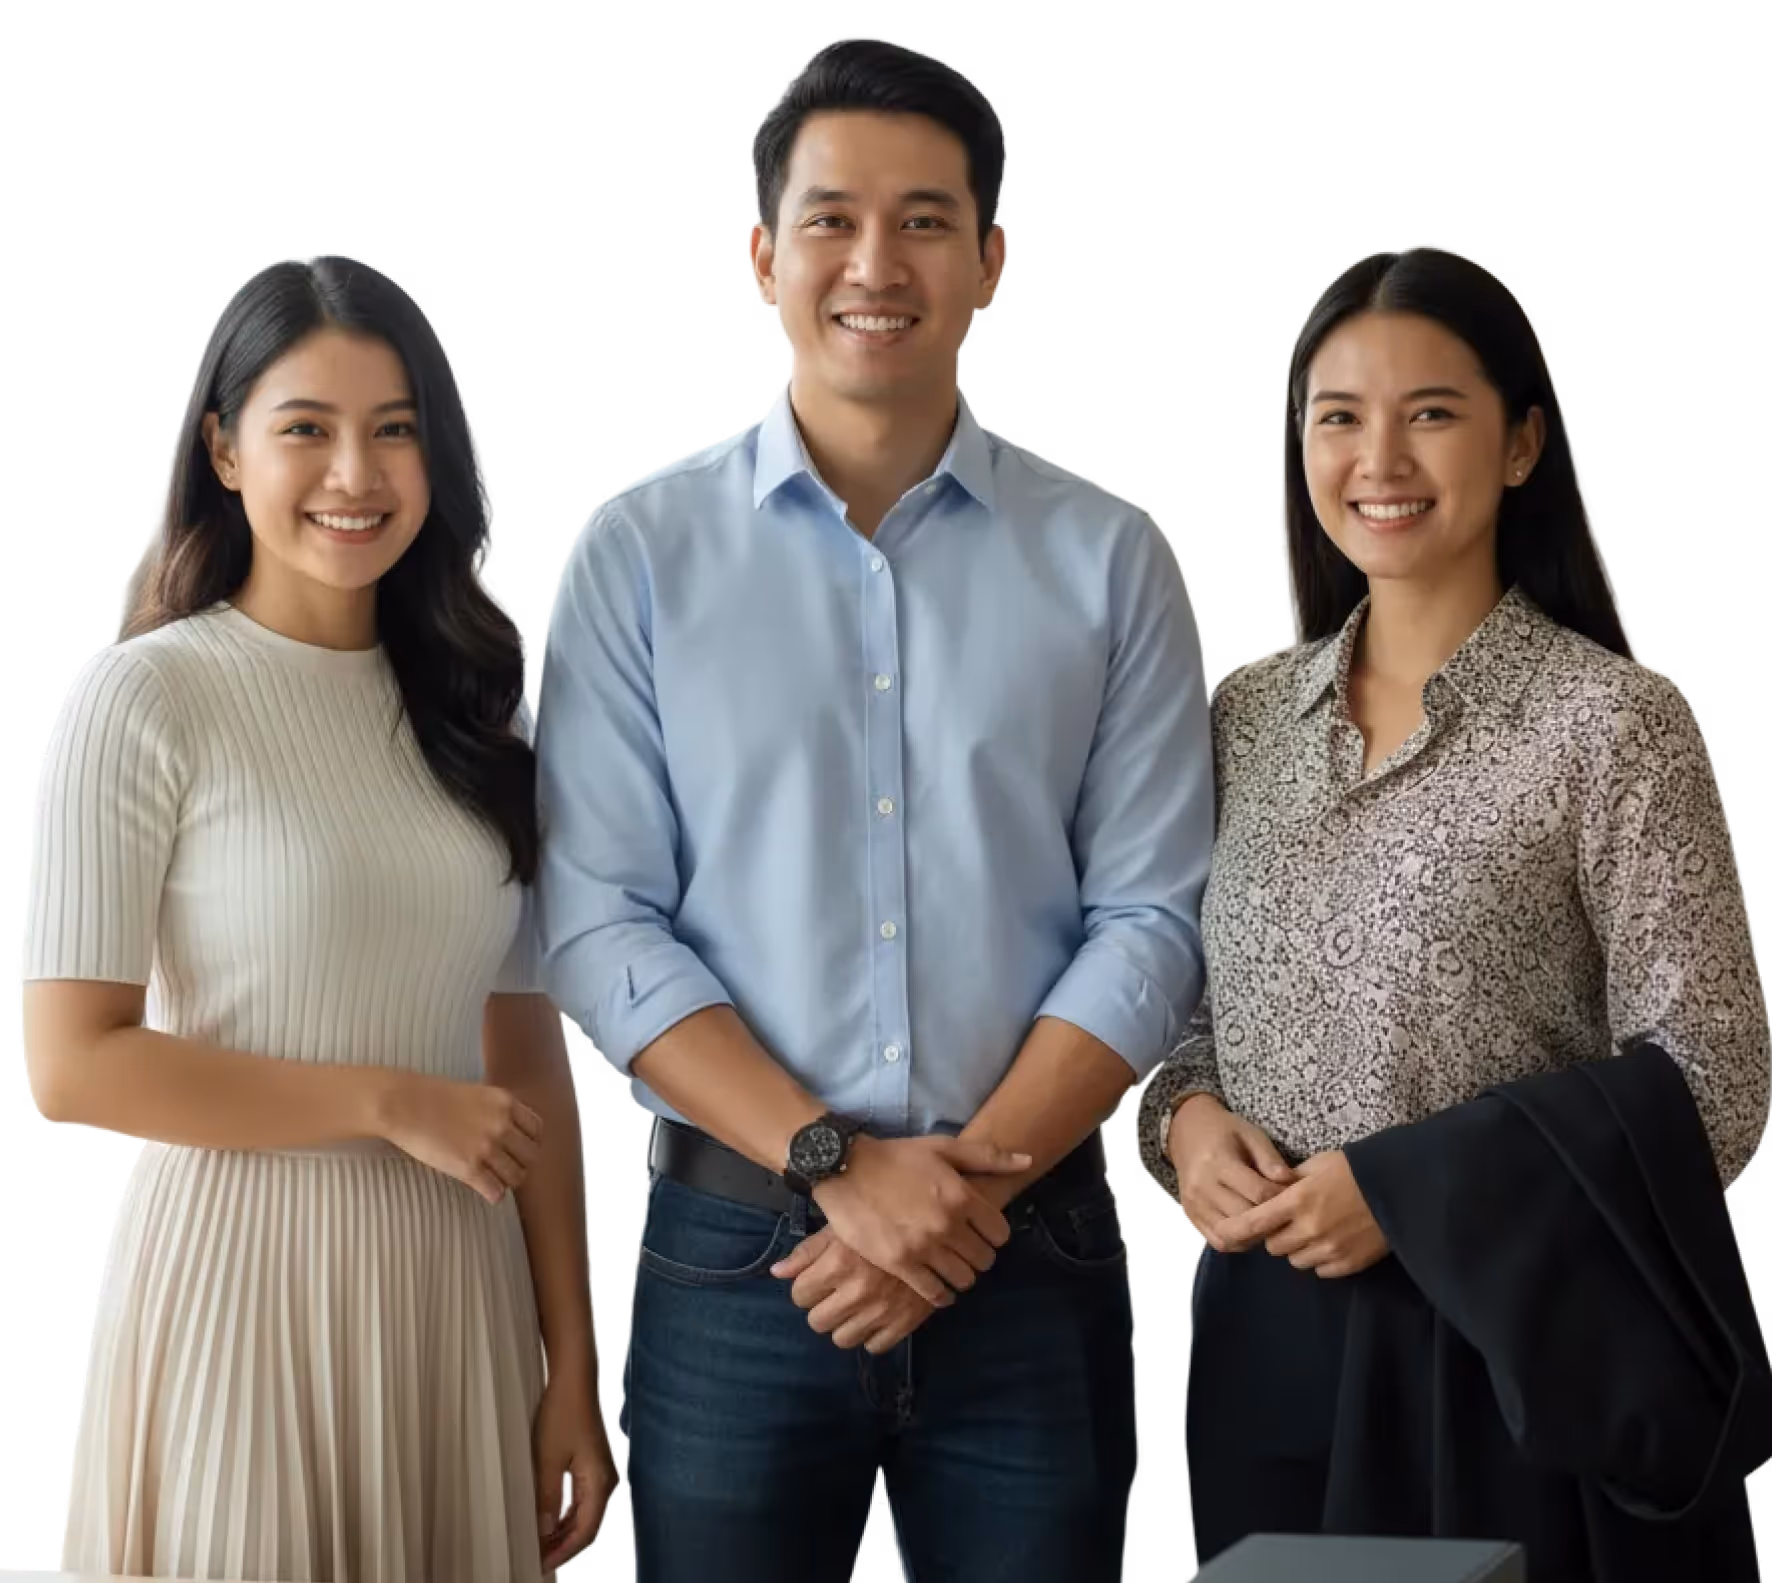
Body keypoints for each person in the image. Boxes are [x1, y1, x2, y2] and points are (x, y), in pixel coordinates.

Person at [529, 36, 1212, 1583]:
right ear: (764, 258)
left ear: (992, 261)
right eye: (831, 218)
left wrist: (957, 1192)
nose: (874, 261)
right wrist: (840, 1163)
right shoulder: (636, 553)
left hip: (1031, 1252)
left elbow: (1156, 913)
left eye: (923, 219)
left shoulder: (1112, 556)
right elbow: (596, 918)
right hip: (730, 1259)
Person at [1132, 245, 1772, 1571]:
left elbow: (1719, 1085)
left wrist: (1410, 1192)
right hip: (1261, 1349)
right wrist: (1184, 1126)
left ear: (1524, 441)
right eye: (1340, 416)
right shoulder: (1242, 714)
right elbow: (1181, 1021)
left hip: (1510, 1347)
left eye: (1432, 412)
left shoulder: (1616, 726)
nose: (1382, 457)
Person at [21, 260, 620, 1579]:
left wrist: (569, 1365)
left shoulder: (488, 719)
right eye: (308, 428)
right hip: (237, 1288)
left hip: (453, 1294)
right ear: (224, 449)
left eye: (393, 429)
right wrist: (391, 1103)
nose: (356, 472)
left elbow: (527, 1059)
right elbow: (72, 1066)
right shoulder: (141, 699)